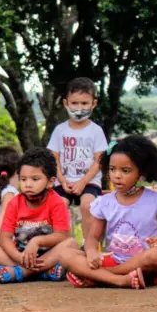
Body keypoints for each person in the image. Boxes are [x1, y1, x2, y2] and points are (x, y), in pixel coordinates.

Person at [61, 136, 157, 289]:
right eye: (112, 169)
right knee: (65, 255)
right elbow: (93, 237)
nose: (116, 175)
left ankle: (100, 277)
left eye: (125, 170)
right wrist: (91, 252)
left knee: (156, 256)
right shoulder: (104, 203)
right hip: (114, 259)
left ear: (142, 172)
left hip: (144, 265)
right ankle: (120, 280)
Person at [0, 148, 76, 283]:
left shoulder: (57, 202)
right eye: (23, 179)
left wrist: (36, 241)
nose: (28, 184)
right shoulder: (14, 203)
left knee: (72, 244)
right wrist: (18, 257)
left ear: (50, 182)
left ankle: (21, 272)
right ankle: (43, 271)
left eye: (35, 179)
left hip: (49, 253)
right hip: (21, 255)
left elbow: (62, 235)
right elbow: (5, 238)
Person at [47, 77, 108, 238]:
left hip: (89, 181)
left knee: (87, 205)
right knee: (59, 205)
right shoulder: (60, 130)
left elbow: (99, 161)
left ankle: (89, 245)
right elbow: (54, 159)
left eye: (84, 103)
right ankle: (63, 246)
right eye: (74, 103)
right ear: (66, 104)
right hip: (64, 181)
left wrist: (82, 182)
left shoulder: (96, 131)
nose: (79, 108)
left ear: (93, 104)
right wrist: (61, 179)